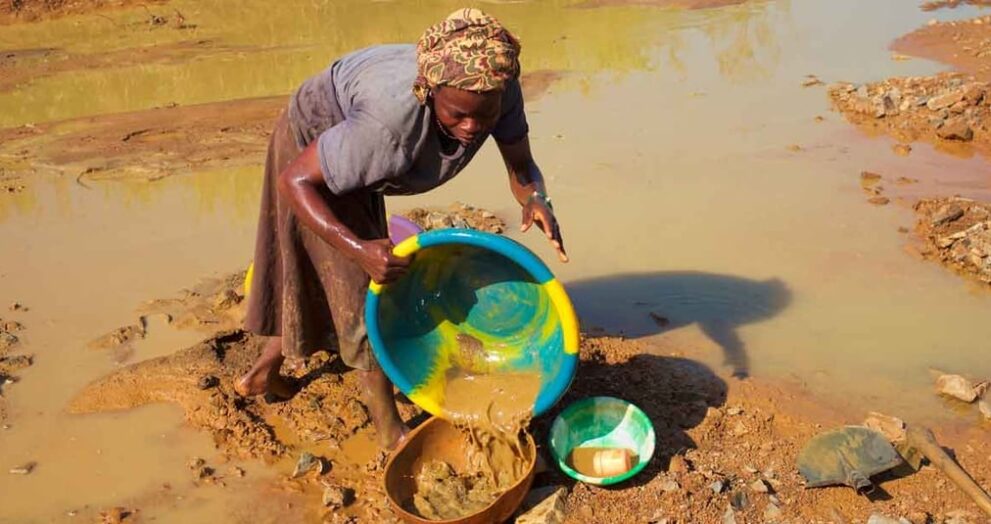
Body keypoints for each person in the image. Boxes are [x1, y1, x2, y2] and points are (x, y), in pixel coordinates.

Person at [236, 8, 567, 450]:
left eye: (482, 118)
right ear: (429, 92)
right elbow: (294, 181)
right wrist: (357, 247)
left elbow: (521, 163)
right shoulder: (389, 127)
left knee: (323, 272)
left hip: (354, 152)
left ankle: (262, 374)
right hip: (313, 146)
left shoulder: (496, 88)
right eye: (457, 116)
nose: (471, 129)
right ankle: (390, 430)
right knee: (365, 291)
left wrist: (534, 198)